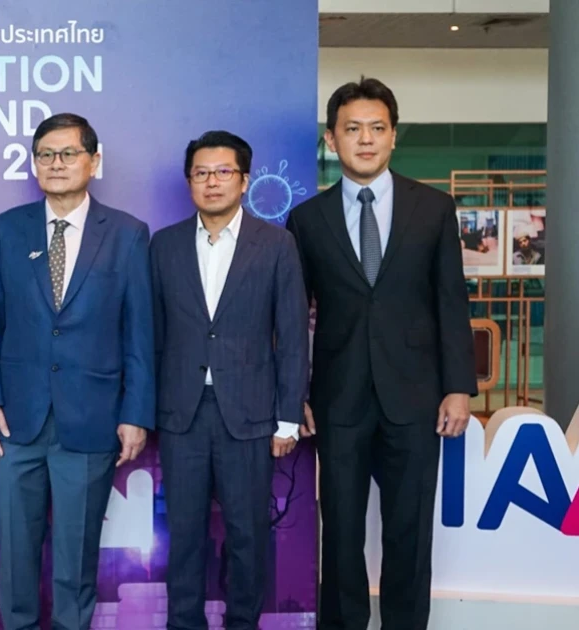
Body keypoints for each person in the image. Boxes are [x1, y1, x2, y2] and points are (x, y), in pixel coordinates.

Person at [286, 77, 476, 630]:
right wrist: (295, 392)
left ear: (394, 135)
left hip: (416, 397)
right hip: (337, 398)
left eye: (376, 128)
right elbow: (293, 317)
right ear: (331, 139)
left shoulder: (433, 208)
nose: (365, 139)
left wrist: (458, 386)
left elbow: (451, 301)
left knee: (409, 531)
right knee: (340, 532)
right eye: (352, 129)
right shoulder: (307, 219)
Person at [0, 112, 155, 630]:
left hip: (91, 417)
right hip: (15, 421)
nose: (56, 163)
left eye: (68, 153)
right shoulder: (8, 228)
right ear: (34, 164)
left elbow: (139, 331)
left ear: (93, 161)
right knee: (15, 554)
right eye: (45, 155)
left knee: (76, 557)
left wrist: (135, 413)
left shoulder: (127, 233)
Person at [151, 131, 309, 629]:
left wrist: (288, 418)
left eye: (223, 172)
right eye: (201, 173)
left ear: (244, 180)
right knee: (184, 535)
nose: (212, 181)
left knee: (247, 534)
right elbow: (152, 334)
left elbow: (292, 334)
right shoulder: (165, 245)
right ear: (189, 182)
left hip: (250, 414)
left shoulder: (277, 244)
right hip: (181, 414)